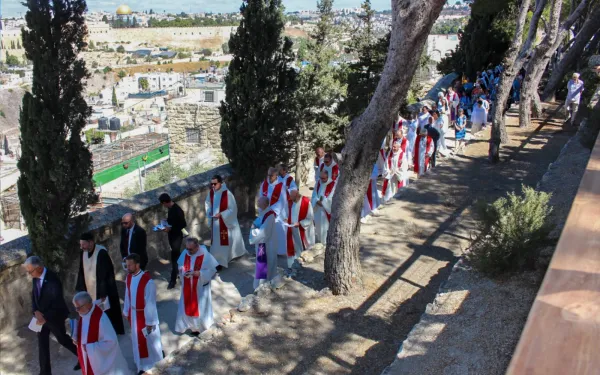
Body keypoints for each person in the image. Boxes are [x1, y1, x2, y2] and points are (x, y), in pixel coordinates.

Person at [25, 256, 80, 374]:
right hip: (40, 319)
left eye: (30, 271)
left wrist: (43, 317)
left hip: (54, 317)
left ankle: (82, 356)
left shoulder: (53, 280)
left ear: (39, 268)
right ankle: (45, 372)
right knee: (42, 344)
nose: (29, 274)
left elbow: (57, 304)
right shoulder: (35, 277)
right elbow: (34, 296)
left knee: (62, 339)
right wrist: (35, 311)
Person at [76, 232, 125, 335]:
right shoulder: (83, 253)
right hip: (89, 289)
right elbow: (81, 271)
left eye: (83, 244)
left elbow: (106, 275)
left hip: (102, 290)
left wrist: (103, 293)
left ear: (90, 242)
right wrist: (81, 288)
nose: (82, 247)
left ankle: (110, 332)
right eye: (80, 245)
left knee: (106, 312)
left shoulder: (101, 253)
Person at [123, 254, 163, 374]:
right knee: (137, 341)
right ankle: (140, 364)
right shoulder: (129, 278)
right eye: (126, 265)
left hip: (144, 316)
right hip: (134, 315)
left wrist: (150, 322)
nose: (127, 267)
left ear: (137, 265)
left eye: (130, 265)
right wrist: (126, 311)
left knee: (149, 342)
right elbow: (127, 295)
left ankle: (153, 364)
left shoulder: (147, 281)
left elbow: (150, 303)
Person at [72, 291, 129, 375]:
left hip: (95, 359)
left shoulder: (101, 319)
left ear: (87, 305)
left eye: (78, 307)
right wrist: (77, 339)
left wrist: (90, 348)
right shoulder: (85, 313)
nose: (77, 311)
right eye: (76, 308)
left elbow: (111, 342)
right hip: (85, 355)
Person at [174, 237, 219, 336]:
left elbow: (212, 270)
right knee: (186, 307)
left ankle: (203, 328)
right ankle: (193, 328)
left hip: (200, 287)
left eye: (191, 249)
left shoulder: (205, 255)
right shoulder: (185, 253)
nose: (188, 251)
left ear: (197, 247)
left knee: (201, 308)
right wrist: (182, 270)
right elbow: (180, 265)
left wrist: (199, 273)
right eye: (187, 248)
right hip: (187, 285)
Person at [205, 175, 247, 268]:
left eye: (215, 184)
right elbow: (207, 203)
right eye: (211, 184)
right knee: (217, 243)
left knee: (227, 241)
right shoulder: (211, 192)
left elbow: (233, 209)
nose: (213, 186)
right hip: (215, 224)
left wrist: (221, 214)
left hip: (225, 222)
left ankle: (222, 260)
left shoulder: (227, 194)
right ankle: (217, 261)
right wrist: (209, 211)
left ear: (220, 183)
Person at [158, 193, 187, 290]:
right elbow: (174, 221)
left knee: (174, 258)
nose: (163, 206)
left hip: (176, 237)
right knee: (177, 256)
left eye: (163, 204)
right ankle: (182, 272)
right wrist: (167, 220)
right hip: (172, 236)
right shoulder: (171, 209)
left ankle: (173, 280)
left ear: (165, 202)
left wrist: (170, 229)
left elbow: (183, 224)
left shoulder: (177, 210)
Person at [249, 196, 279, 288]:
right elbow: (257, 222)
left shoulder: (269, 216)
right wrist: (254, 225)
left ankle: (263, 286)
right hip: (263, 244)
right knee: (263, 266)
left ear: (265, 204)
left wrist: (253, 231)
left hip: (267, 245)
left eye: (259, 201)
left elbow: (264, 232)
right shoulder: (264, 212)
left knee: (266, 265)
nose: (257, 202)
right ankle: (261, 285)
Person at [258, 167, 287, 256]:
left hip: (277, 214)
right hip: (265, 212)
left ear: (276, 175)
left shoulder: (280, 186)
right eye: (269, 175)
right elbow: (261, 196)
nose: (270, 177)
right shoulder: (264, 184)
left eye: (272, 176)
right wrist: (262, 208)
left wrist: (273, 211)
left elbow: (282, 201)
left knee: (277, 232)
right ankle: (267, 250)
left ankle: (279, 251)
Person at [286, 189, 315, 268]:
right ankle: (296, 263)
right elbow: (287, 212)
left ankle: (305, 263)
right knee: (295, 245)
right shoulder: (290, 201)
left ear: (296, 195)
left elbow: (310, 217)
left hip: (303, 229)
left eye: (291, 196)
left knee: (304, 246)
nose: (290, 198)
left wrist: (300, 223)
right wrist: (286, 218)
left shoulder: (306, 202)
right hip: (293, 228)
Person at [311, 170, 336, 245]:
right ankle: (319, 240)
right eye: (320, 178)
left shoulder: (332, 184)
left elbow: (332, 197)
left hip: (326, 209)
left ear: (328, 177)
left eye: (323, 178)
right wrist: (316, 200)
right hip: (318, 207)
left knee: (325, 226)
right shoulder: (318, 182)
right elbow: (314, 193)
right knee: (318, 224)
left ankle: (325, 242)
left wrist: (324, 202)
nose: (322, 180)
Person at [382, 139, 409, 204]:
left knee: (397, 191)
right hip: (390, 176)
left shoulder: (403, 155)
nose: (393, 148)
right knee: (389, 190)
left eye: (395, 147)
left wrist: (395, 171)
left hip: (397, 176)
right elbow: (386, 163)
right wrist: (388, 171)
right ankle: (388, 201)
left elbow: (404, 167)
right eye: (393, 146)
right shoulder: (390, 153)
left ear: (399, 147)